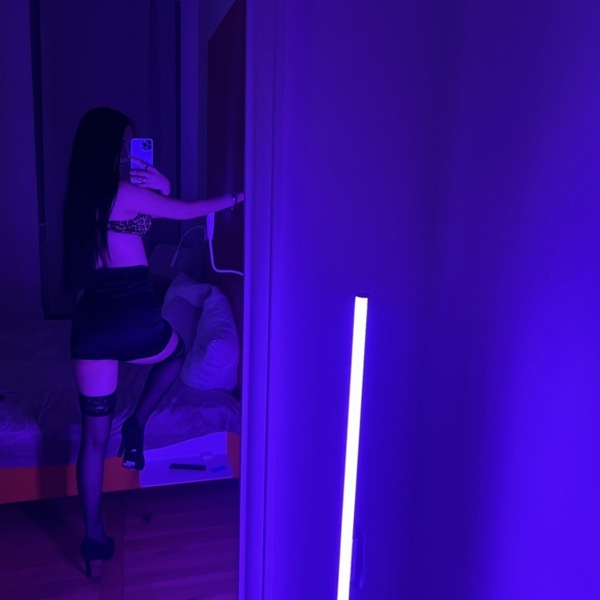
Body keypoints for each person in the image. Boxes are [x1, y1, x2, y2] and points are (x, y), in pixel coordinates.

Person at [62, 107, 243, 577]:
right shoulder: (124, 192)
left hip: (91, 325)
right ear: (106, 148)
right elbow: (184, 211)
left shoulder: (83, 198)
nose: (128, 154)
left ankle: (93, 539)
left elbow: (146, 217)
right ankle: (139, 422)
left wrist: (159, 183)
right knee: (176, 353)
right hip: (132, 316)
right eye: (123, 146)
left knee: (93, 439)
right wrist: (234, 197)